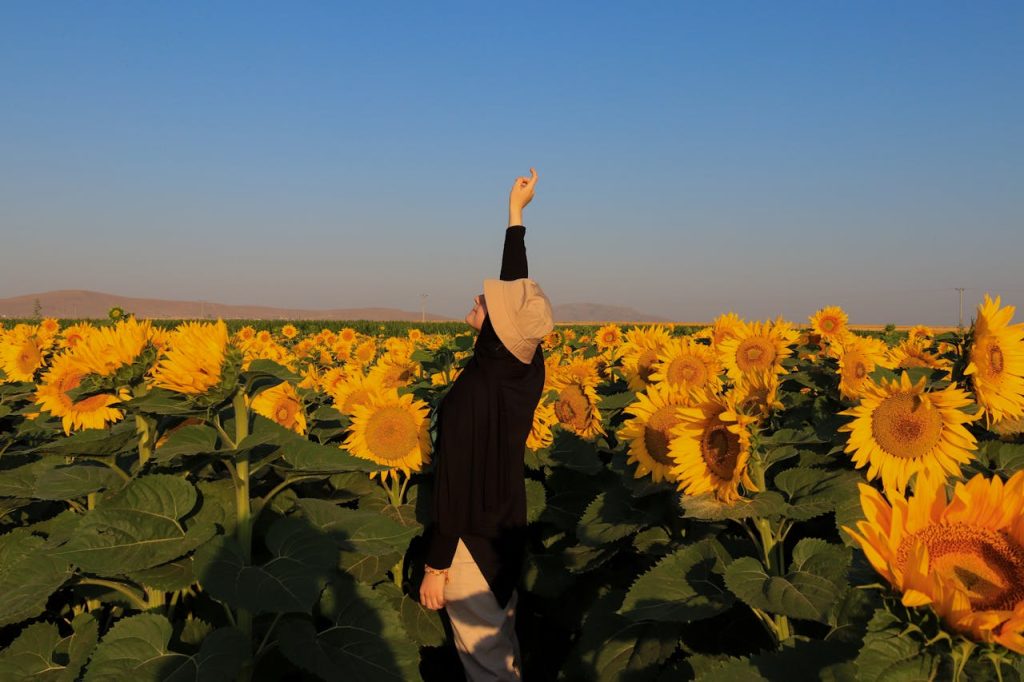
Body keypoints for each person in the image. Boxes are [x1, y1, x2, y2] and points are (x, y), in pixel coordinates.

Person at [419, 168, 554, 680]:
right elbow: (518, 290)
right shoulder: (522, 367)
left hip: (471, 545)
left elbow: (455, 483)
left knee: (489, 668)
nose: (479, 299)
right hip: (505, 531)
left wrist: (436, 566)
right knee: (505, 649)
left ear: (496, 330)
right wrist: (515, 215)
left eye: (487, 305)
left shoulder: (476, 392)